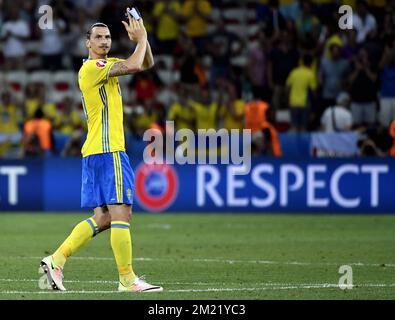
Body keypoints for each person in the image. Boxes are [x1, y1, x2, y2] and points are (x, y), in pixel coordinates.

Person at [39, 8, 163, 293]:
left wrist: (143, 39)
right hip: (109, 151)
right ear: (88, 43)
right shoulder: (93, 68)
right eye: (98, 37)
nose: (105, 41)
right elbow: (134, 65)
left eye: (108, 37)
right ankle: (127, 279)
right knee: (122, 214)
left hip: (96, 151)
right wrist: (141, 37)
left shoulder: (106, 66)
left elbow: (145, 63)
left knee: (104, 217)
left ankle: (55, 260)